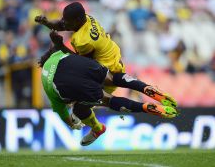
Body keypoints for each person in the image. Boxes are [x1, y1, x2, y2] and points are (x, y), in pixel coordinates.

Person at [39, 31, 178, 146]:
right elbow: (70, 52)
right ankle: (147, 88)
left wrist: (72, 124)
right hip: (78, 63)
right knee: (111, 78)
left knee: (96, 103)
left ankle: (141, 109)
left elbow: (61, 111)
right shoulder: (57, 54)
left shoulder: (46, 83)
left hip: (69, 85)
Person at [35, 1, 125, 94]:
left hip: (110, 74)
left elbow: (83, 65)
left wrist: (60, 46)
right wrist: (47, 22)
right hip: (113, 59)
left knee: (80, 102)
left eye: (66, 20)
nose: (63, 22)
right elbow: (61, 25)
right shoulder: (86, 18)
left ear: (77, 20)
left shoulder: (84, 41)